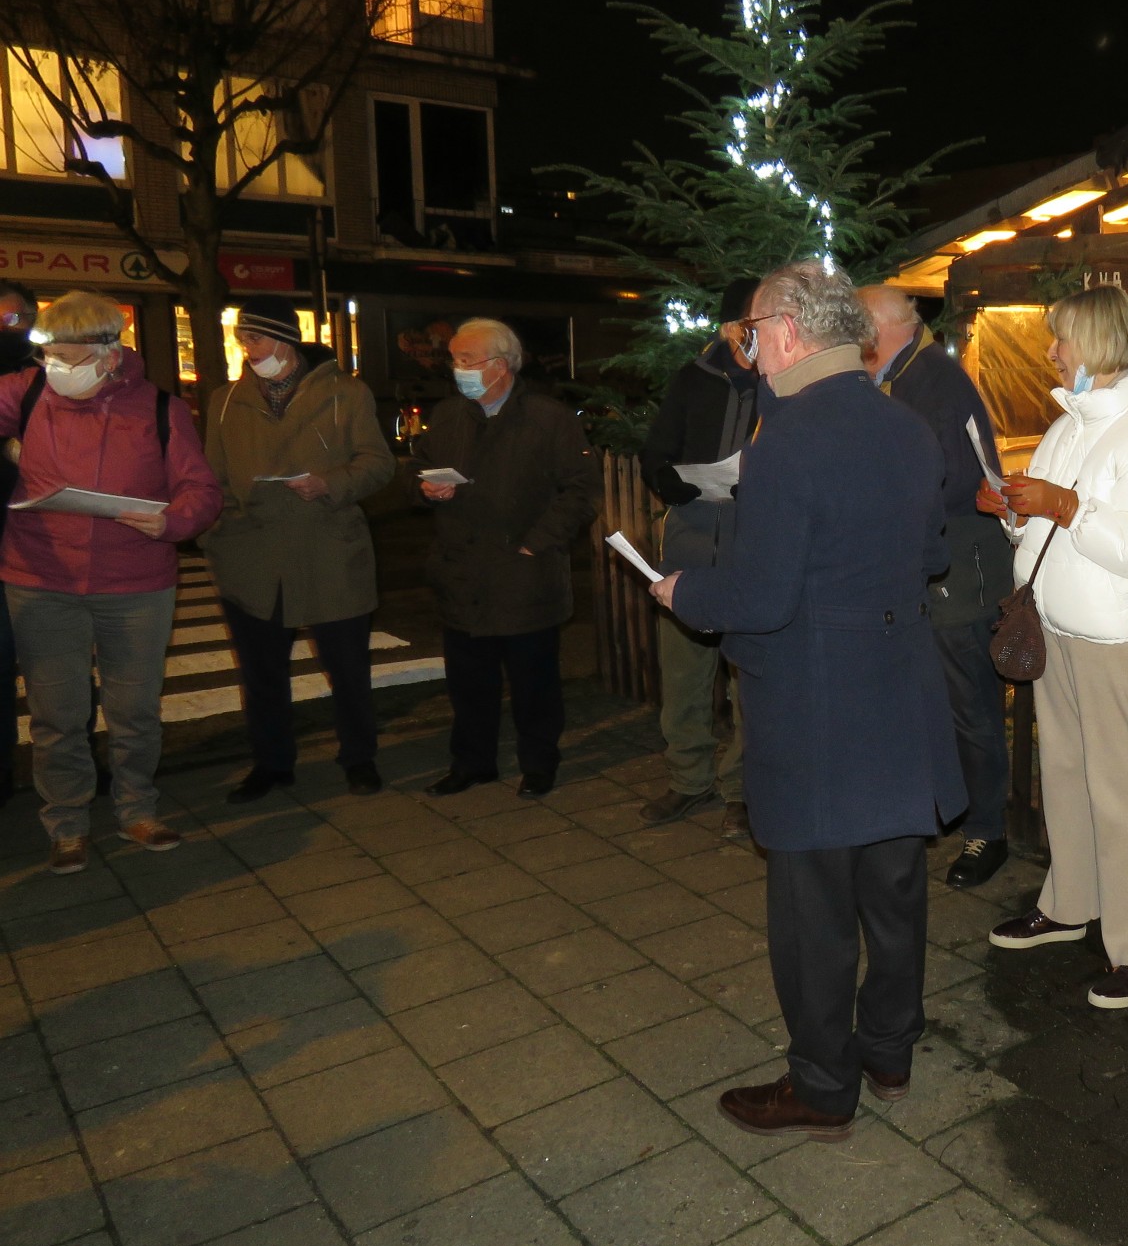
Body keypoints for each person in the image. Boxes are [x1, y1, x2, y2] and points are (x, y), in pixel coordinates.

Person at [649, 261, 965, 1140]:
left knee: (814, 912)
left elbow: (760, 600)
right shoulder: (905, 427)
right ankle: (890, 1051)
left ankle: (824, 1087)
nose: (748, 349)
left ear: (786, 332)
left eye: (752, 332)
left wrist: (685, 594)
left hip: (818, 709)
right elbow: (934, 554)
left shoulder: (784, 443)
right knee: (895, 889)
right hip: (900, 695)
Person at [981, 286, 1128, 1010]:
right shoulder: (1071, 424)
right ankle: (1072, 903)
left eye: (1061, 339)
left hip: (1113, 638)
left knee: (1121, 792)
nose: (1051, 351)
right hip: (1059, 624)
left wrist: (1066, 506)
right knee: (1066, 774)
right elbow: (1048, 532)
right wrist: (1017, 511)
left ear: (1099, 344)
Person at [0, 290, 222, 873]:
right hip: (39, 578)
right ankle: (67, 823)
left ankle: (136, 810)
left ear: (110, 353)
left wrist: (171, 520)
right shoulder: (23, 394)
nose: (59, 370)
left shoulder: (158, 409)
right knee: (56, 715)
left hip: (136, 583)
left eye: (72, 358)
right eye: (51, 355)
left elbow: (201, 489)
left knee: (135, 710)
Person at [202, 297, 396, 803]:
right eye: (242, 340)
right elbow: (211, 480)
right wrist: (218, 537)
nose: (247, 349)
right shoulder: (224, 400)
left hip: (328, 548)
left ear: (284, 341)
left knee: (348, 668)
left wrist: (330, 483)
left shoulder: (345, 393)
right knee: (262, 673)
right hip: (252, 557)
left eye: (256, 339)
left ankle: (359, 758)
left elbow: (379, 463)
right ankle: (272, 764)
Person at [857, 284, 1014, 888]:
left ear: (883, 327)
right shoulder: (900, 376)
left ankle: (986, 831)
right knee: (930, 700)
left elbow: (957, 479)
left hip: (959, 568)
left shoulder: (935, 382)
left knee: (969, 704)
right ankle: (939, 813)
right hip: (927, 564)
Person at [415, 317, 597, 800]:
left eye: (467, 360)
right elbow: (420, 472)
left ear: (500, 366)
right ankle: (473, 763)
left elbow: (579, 491)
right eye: (455, 360)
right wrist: (429, 489)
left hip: (524, 574)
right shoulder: (449, 416)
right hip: (463, 575)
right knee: (469, 684)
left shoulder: (548, 418)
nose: (458, 370)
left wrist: (537, 542)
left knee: (533, 683)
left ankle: (539, 764)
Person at [636, 280, 759, 840]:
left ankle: (741, 790)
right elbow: (657, 449)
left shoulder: (781, 384)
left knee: (746, 677)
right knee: (684, 670)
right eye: (746, 325)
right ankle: (688, 779)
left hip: (748, 546)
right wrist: (668, 481)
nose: (754, 336)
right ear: (730, 327)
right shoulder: (694, 379)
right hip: (689, 540)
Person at [0, 280, 37, 806]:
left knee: (61, 668)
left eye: (14, 321)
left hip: (39, 542)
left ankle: (80, 766)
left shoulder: (44, 375)